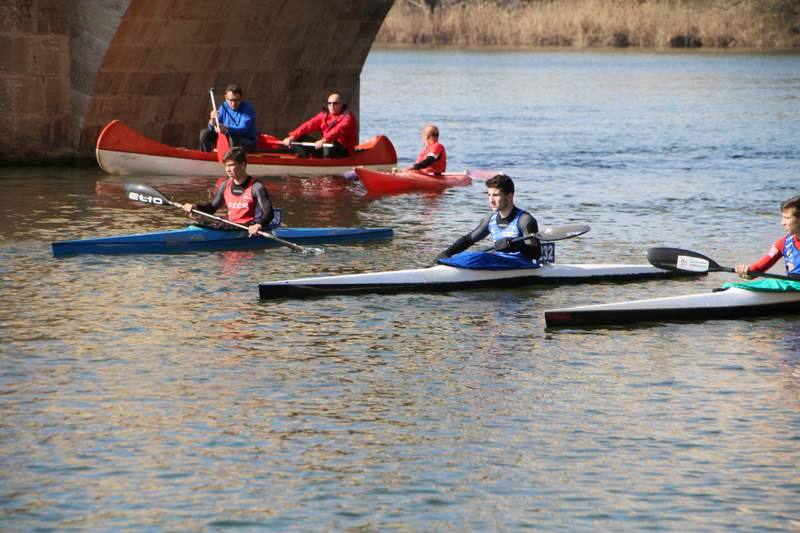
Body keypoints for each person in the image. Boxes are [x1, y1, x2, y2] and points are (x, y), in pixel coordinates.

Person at [436, 174, 541, 261]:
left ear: (509, 196)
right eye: (489, 195)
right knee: (468, 256)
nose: (491, 200)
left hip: (520, 265)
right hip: (498, 263)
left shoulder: (525, 220)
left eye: (495, 195)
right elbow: (468, 240)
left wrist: (515, 244)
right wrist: (447, 253)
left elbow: (536, 254)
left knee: (478, 257)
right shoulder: (491, 219)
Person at [181, 147, 273, 237]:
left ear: (242, 165)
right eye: (226, 166)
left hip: (250, 227)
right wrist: (196, 207)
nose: (227, 169)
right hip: (232, 225)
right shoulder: (225, 186)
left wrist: (259, 225)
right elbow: (211, 208)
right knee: (201, 224)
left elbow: (269, 213)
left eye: (231, 165)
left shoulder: (256, 187)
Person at [735, 195, 800, 279]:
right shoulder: (783, 243)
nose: (782, 222)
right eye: (783, 218)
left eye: (787, 218)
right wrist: (746, 272)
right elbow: (758, 269)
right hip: (792, 286)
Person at [281, 93, 357, 158]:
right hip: (326, 145)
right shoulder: (323, 115)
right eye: (329, 103)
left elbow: (337, 131)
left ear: (341, 104)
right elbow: (308, 125)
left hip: (343, 151)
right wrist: (292, 137)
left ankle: (326, 165)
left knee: (329, 144)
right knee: (299, 138)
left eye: (335, 103)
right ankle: (303, 159)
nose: (332, 106)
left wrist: (324, 140)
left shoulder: (348, 118)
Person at [199, 85, 258, 153]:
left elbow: (243, 128)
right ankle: (206, 157)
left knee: (233, 137)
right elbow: (212, 127)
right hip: (228, 138)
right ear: (226, 98)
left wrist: (227, 128)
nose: (233, 103)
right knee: (204, 133)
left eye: (236, 100)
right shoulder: (224, 106)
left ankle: (233, 161)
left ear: (241, 98)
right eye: (231, 100)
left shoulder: (247, 109)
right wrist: (213, 120)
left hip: (246, 141)